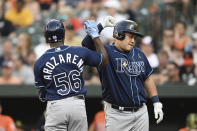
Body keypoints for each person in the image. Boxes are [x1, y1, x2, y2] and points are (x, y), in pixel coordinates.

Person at [82, 17, 164, 131]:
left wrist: (156, 102)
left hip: (141, 113)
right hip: (117, 115)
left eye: (134, 38)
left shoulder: (139, 53)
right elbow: (86, 44)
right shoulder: (106, 52)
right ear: (119, 35)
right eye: (130, 36)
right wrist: (100, 26)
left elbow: (148, 78)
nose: (133, 41)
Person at [33, 19, 108, 131]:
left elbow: (42, 94)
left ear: (46, 37)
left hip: (56, 105)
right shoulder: (79, 51)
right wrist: (95, 36)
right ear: (63, 34)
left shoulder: (40, 62)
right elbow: (104, 60)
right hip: (77, 104)